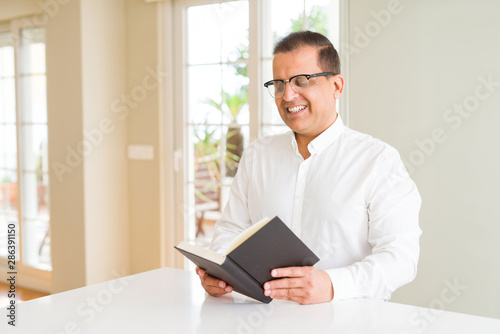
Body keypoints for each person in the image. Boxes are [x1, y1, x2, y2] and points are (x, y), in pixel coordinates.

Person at [196, 31, 422, 305]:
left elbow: (401, 257)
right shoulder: (258, 155)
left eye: (301, 81)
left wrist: (331, 284)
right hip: (262, 319)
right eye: (279, 84)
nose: (288, 95)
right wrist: (221, 271)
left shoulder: (378, 160)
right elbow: (231, 229)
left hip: (349, 321)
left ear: (337, 86)